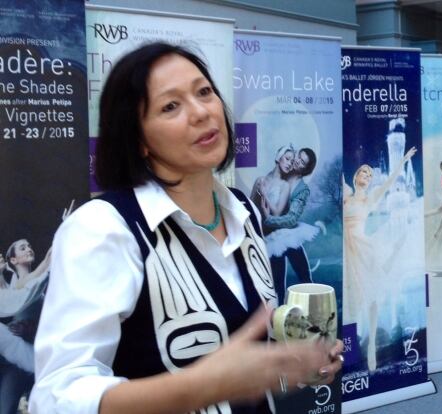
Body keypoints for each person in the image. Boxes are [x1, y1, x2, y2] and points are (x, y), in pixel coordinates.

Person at [30, 42, 342, 414]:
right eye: (170, 106)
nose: (200, 112)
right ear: (139, 139)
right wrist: (199, 386)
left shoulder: (243, 210)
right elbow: (56, 398)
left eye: (204, 92)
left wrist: (292, 365)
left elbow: (241, 363)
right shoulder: (104, 229)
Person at [343, 147, 416, 372]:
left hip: (364, 247)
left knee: (372, 295)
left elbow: (389, 182)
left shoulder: (371, 198)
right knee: (352, 297)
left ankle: (372, 345)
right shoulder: (345, 194)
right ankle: (349, 350)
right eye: (363, 173)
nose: (366, 176)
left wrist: (403, 160)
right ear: (355, 177)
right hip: (347, 248)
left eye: (369, 175)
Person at [260, 147, 319, 302]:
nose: (298, 161)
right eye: (298, 157)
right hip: (272, 237)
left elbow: (292, 218)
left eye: (303, 162)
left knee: (305, 278)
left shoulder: (301, 189)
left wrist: (270, 220)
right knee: (278, 284)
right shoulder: (281, 172)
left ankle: (316, 311)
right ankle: (279, 319)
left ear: (306, 169)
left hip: (289, 234)